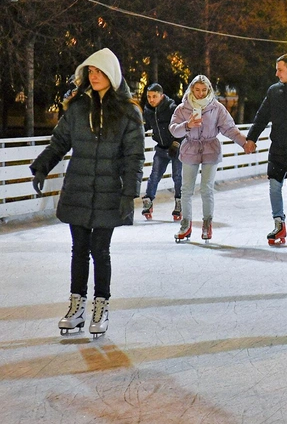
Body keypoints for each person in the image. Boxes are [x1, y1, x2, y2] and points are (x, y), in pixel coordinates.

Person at [30, 48, 145, 337]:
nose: (93, 76)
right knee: (79, 250)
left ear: (112, 74)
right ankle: (76, 306)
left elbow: (134, 157)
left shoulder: (128, 113)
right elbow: (59, 142)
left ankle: (101, 307)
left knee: (100, 250)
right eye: (90, 72)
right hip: (79, 189)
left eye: (99, 71)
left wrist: (129, 194)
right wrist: (42, 166)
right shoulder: (78, 109)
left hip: (109, 192)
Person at [169, 75, 247, 242]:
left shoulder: (216, 108)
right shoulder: (183, 108)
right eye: (197, 90)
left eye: (204, 90)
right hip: (190, 148)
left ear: (209, 90)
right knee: (186, 189)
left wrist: (244, 143)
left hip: (210, 149)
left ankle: (207, 223)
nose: (200, 94)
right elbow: (174, 130)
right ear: (191, 89)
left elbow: (230, 128)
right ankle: (185, 224)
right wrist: (187, 125)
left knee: (206, 188)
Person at [244, 54, 287, 245]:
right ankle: (279, 223)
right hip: (279, 149)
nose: (276, 73)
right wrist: (251, 138)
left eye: (280, 69)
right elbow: (262, 116)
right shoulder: (274, 91)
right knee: (274, 186)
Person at [140, 83, 182, 220]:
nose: (151, 100)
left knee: (177, 176)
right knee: (155, 175)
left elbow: (181, 127)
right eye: (149, 97)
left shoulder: (172, 109)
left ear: (161, 96)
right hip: (161, 148)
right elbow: (145, 125)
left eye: (154, 96)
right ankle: (149, 200)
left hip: (176, 148)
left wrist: (176, 143)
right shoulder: (148, 110)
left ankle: (179, 202)